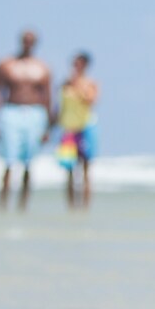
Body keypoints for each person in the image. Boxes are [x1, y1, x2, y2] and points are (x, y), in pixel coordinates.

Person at [0, 29, 53, 211]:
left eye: (31, 41)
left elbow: (48, 97)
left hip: (35, 114)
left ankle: (22, 207)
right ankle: (2, 206)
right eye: (25, 40)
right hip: (11, 112)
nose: (27, 44)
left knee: (29, 164)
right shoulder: (6, 64)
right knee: (9, 161)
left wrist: (48, 126)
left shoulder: (42, 67)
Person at [56, 51, 100, 209]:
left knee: (86, 169)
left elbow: (91, 101)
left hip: (86, 127)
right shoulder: (64, 84)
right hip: (68, 129)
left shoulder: (90, 83)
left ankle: (85, 207)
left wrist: (78, 85)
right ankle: (71, 207)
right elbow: (60, 106)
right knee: (69, 170)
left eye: (79, 63)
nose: (76, 67)